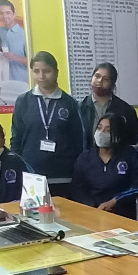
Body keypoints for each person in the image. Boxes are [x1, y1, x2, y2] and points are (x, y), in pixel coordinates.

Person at [11, 52, 84, 198]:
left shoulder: (69, 102)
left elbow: (78, 140)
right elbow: (16, 137)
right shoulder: (23, 101)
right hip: (32, 173)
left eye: (46, 71)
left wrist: (78, 170)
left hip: (63, 174)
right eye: (36, 71)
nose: (41, 76)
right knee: (34, 212)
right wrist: (17, 166)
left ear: (56, 72)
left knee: (64, 211)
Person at [72, 113, 138, 217]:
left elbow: (137, 185)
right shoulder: (85, 158)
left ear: (118, 134)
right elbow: (78, 188)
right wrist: (92, 207)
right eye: (99, 128)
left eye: (108, 130)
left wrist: (115, 201)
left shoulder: (130, 155)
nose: (101, 133)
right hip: (91, 212)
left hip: (122, 212)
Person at [77, 62, 138, 148]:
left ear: (112, 84)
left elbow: (134, 141)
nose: (99, 81)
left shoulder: (126, 110)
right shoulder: (80, 108)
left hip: (118, 155)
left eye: (105, 79)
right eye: (97, 76)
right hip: (88, 155)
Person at [0, 0, 28, 82]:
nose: (4, 16)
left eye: (8, 13)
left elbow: (33, 62)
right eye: (1, 13)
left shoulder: (24, 34)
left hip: (20, 82)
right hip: (0, 82)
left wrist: (15, 57)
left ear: (14, 14)